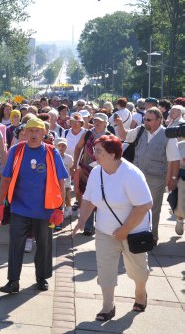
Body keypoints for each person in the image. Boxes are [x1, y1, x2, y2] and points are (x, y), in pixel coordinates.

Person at [72, 135, 152, 321]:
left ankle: (141, 293)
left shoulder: (131, 174)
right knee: (105, 268)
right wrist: (81, 220)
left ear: (113, 154)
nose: (94, 153)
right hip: (105, 231)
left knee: (138, 271)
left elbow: (144, 205)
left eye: (99, 151)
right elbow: (89, 199)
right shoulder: (96, 172)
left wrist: (124, 230)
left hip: (134, 231)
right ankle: (108, 305)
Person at [0, 117, 69, 294]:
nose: (33, 134)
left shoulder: (52, 152)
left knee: (44, 245)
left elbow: (61, 182)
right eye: (30, 130)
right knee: (16, 244)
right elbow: (5, 179)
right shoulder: (17, 150)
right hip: (19, 207)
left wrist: (60, 208)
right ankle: (13, 281)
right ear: (25, 133)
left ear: (44, 133)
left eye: (37, 130)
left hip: (45, 209)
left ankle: (41, 278)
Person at [117, 107, 179, 244]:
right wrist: (119, 124)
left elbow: (174, 159)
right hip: (136, 177)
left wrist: (172, 179)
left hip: (156, 178)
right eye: (145, 119)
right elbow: (124, 136)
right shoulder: (140, 130)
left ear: (159, 120)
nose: (145, 122)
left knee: (152, 209)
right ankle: (132, 233)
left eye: (149, 120)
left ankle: (152, 236)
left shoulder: (168, 135)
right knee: (133, 206)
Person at [72, 112, 112, 234]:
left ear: (106, 122)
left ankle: (100, 225)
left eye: (100, 120)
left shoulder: (109, 136)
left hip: (104, 171)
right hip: (86, 170)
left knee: (102, 197)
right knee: (87, 196)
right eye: (95, 120)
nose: (97, 122)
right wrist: (76, 163)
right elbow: (78, 147)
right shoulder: (88, 133)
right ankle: (88, 227)